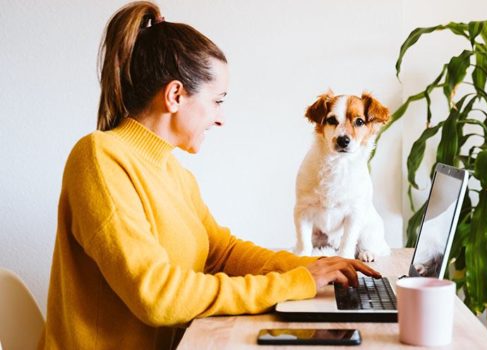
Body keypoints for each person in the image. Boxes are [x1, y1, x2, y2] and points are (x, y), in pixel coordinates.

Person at [39, 2, 381, 349]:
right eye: (217, 101)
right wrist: (298, 281)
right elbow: (157, 296)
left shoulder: (173, 171)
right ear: (175, 95)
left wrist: (319, 267)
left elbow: (222, 254)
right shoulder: (100, 159)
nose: (221, 118)